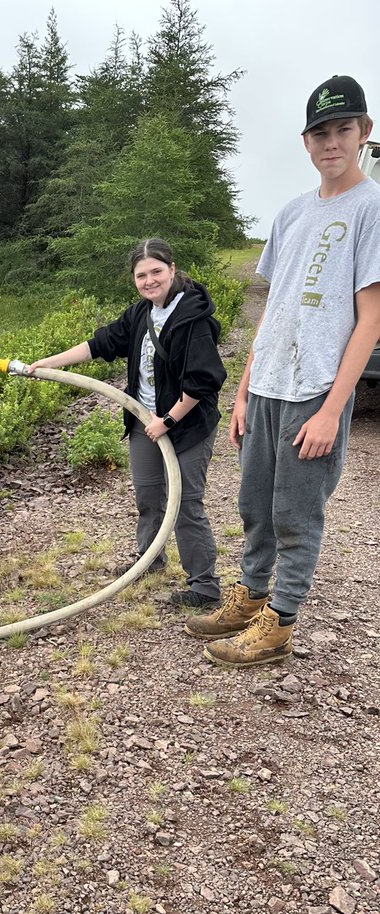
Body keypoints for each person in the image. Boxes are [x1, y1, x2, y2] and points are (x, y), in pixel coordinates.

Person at [185, 75, 380, 666]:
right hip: (268, 385)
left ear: (364, 134)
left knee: (296, 514)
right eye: (320, 132)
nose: (331, 142)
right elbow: (275, 307)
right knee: (255, 507)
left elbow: (371, 319)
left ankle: (280, 622)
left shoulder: (372, 209)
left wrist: (330, 409)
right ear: (305, 141)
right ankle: (251, 596)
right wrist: (244, 390)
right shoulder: (292, 213)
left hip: (313, 389)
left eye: (343, 129)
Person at [28, 238, 226, 607]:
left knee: (184, 504)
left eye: (156, 272)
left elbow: (204, 380)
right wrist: (47, 364)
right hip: (143, 422)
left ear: (171, 269)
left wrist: (167, 420)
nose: (149, 280)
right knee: (149, 497)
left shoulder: (194, 317)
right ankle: (150, 560)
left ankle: (205, 587)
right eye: (141, 275)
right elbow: (98, 344)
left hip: (186, 424)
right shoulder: (140, 315)